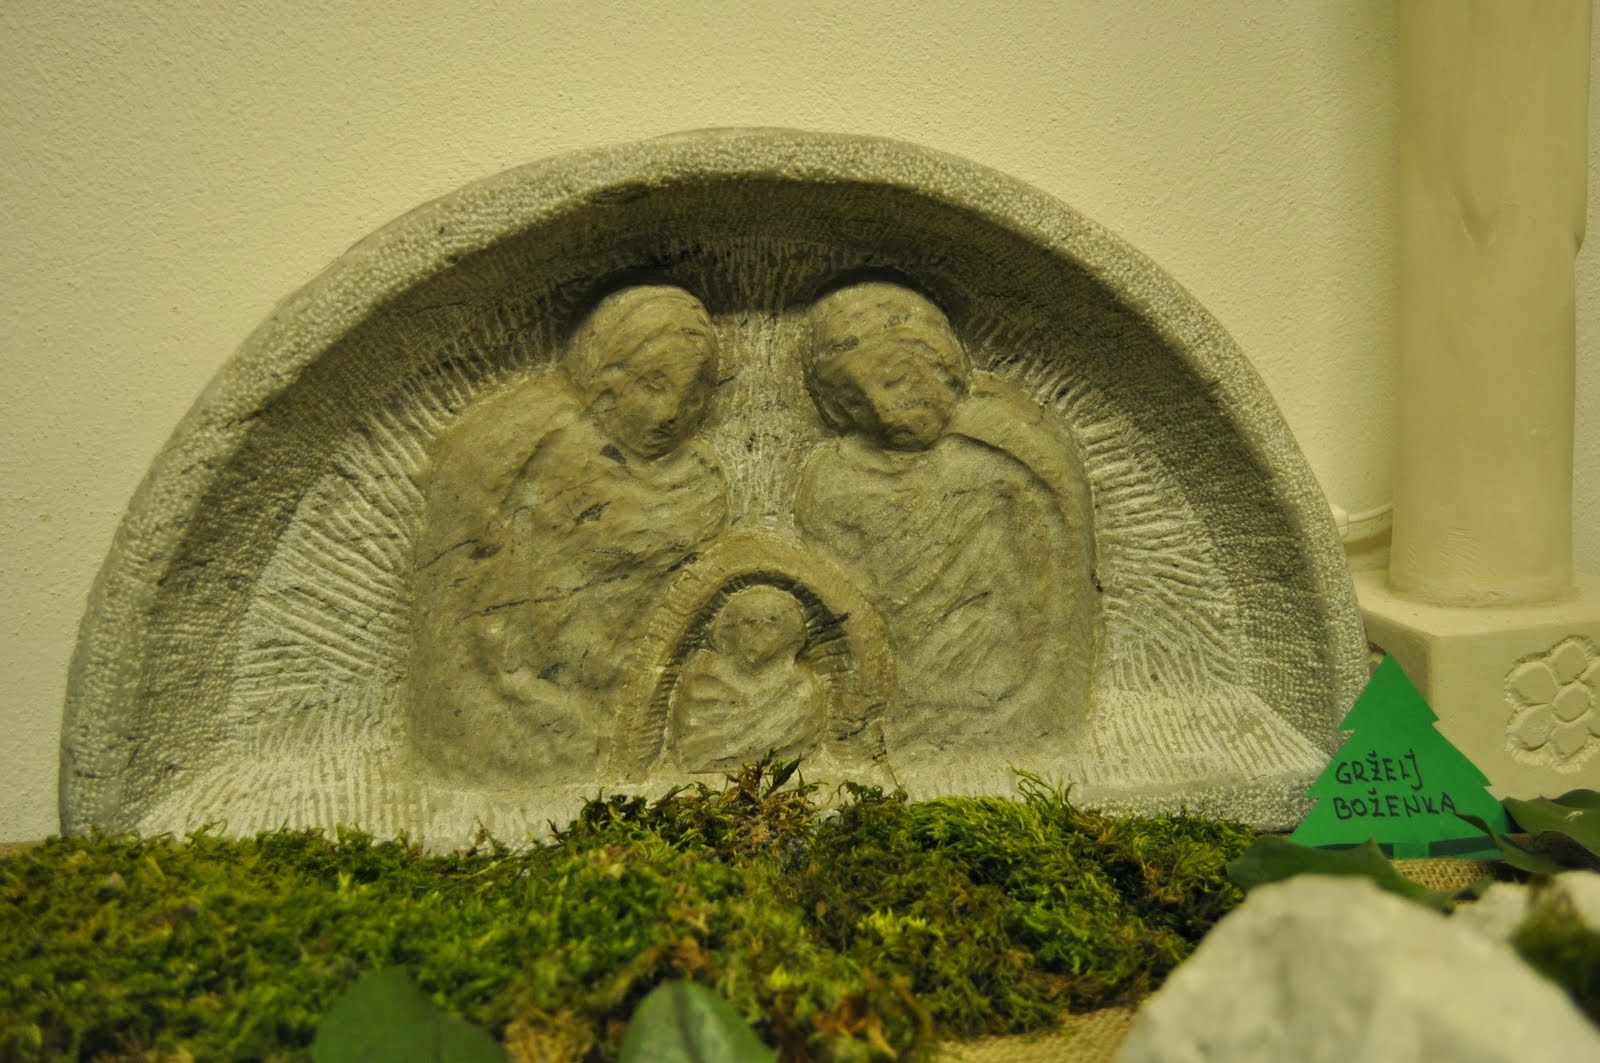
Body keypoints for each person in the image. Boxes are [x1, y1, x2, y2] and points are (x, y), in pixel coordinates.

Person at [411, 285, 728, 785]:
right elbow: (458, 587)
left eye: (693, 396)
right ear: (605, 379)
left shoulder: (700, 482)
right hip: (502, 687)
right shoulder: (525, 441)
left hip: (625, 701)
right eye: (653, 383)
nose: (672, 413)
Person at [794, 281, 1096, 757]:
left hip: (994, 680)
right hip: (886, 682)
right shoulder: (829, 479)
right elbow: (837, 607)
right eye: (853, 400)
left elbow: (1053, 599)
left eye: (897, 381)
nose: (884, 412)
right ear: (835, 407)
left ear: (942, 364)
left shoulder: (1009, 454)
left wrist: (1019, 702)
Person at [668, 585, 823, 772]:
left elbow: (804, 740)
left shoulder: (802, 689)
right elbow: (690, 749)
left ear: (790, 632)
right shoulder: (702, 682)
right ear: (728, 630)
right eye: (748, 622)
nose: (759, 630)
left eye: (771, 621)